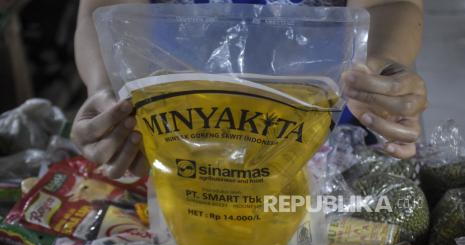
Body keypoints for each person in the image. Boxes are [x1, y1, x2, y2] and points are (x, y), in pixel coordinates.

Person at [71, 0, 427, 179]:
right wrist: (107, 93)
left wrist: (381, 67)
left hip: (329, 137)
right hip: (177, 138)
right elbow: (105, 8)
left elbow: (388, 4)